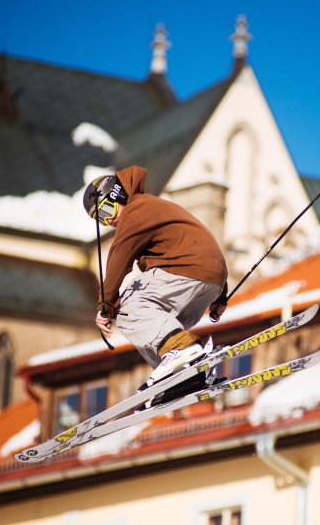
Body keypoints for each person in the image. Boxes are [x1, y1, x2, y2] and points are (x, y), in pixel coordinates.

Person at [84, 165, 228, 387]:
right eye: (100, 219)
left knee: (128, 310)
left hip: (185, 271)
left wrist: (106, 304)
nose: (108, 221)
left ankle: (182, 350)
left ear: (118, 196)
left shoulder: (135, 210)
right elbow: (203, 251)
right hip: (207, 279)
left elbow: (119, 257)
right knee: (152, 327)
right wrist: (219, 297)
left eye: (107, 211)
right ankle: (181, 376)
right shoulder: (151, 207)